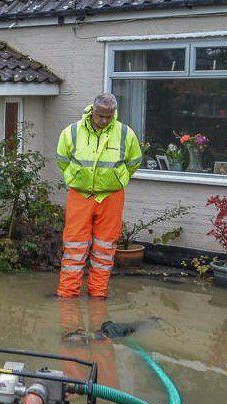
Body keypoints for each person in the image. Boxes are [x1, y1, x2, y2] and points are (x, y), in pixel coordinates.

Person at [55, 93, 142, 299]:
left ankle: (98, 295)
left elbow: (134, 162)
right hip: (80, 194)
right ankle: (67, 295)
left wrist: (117, 180)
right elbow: (62, 160)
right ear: (92, 111)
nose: (104, 121)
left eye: (108, 116)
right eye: (100, 116)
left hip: (111, 196)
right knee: (74, 247)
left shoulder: (125, 134)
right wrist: (75, 178)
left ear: (114, 114)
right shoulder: (72, 132)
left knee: (104, 250)